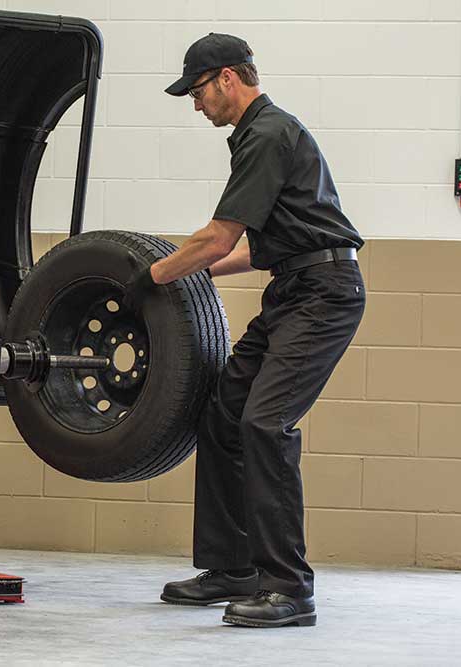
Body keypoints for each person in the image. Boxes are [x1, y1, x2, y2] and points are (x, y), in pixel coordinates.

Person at [124, 33, 366, 628]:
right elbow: (257, 245)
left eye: (198, 91)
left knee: (265, 421)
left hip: (325, 295)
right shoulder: (262, 136)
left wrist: (149, 276)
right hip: (293, 288)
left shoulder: (267, 133)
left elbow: (218, 237)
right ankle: (233, 567)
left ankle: (289, 588)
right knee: (224, 412)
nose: (195, 103)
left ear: (228, 78)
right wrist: (185, 272)